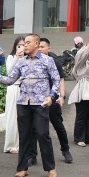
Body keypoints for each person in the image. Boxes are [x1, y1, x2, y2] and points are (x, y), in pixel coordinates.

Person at [0, 32, 60, 177]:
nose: (24, 45)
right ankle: (22, 168)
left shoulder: (47, 60)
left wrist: (52, 97)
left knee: (42, 134)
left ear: (36, 44)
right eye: (24, 43)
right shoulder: (21, 61)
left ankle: (50, 168)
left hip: (41, 103)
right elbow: (10, 80)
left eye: (27, 43)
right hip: (23, 102)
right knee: (24, 135)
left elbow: (56, 80)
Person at [30, 37, 73, 165]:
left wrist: (62, 96)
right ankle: (32, 155)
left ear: (48, 48)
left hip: (52, 99)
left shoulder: (54, 62)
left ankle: (65, 150)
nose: (40, 49)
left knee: (58, 126)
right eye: (39, 46)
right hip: (36, 100)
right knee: (34, 129)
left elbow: (60, 80)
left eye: (42, 47)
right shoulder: (32, 61)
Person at [68, 32, 89, 146]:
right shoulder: (80, 65)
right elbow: (81, 55)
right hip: (83, 93)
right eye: (88, 51)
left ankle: (88, 137)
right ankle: (79, 138)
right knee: (82, 115)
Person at [3, 36, 26, 153]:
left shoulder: (29, 58)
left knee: (23, 117)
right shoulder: (11, 57)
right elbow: (9, 73)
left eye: (24, 45)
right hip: (13, 87)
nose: (22, 48)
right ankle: (11, 144)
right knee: (12, 116)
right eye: (19, 45)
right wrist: (17, 57)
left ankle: (21, 144)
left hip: (25, 89)